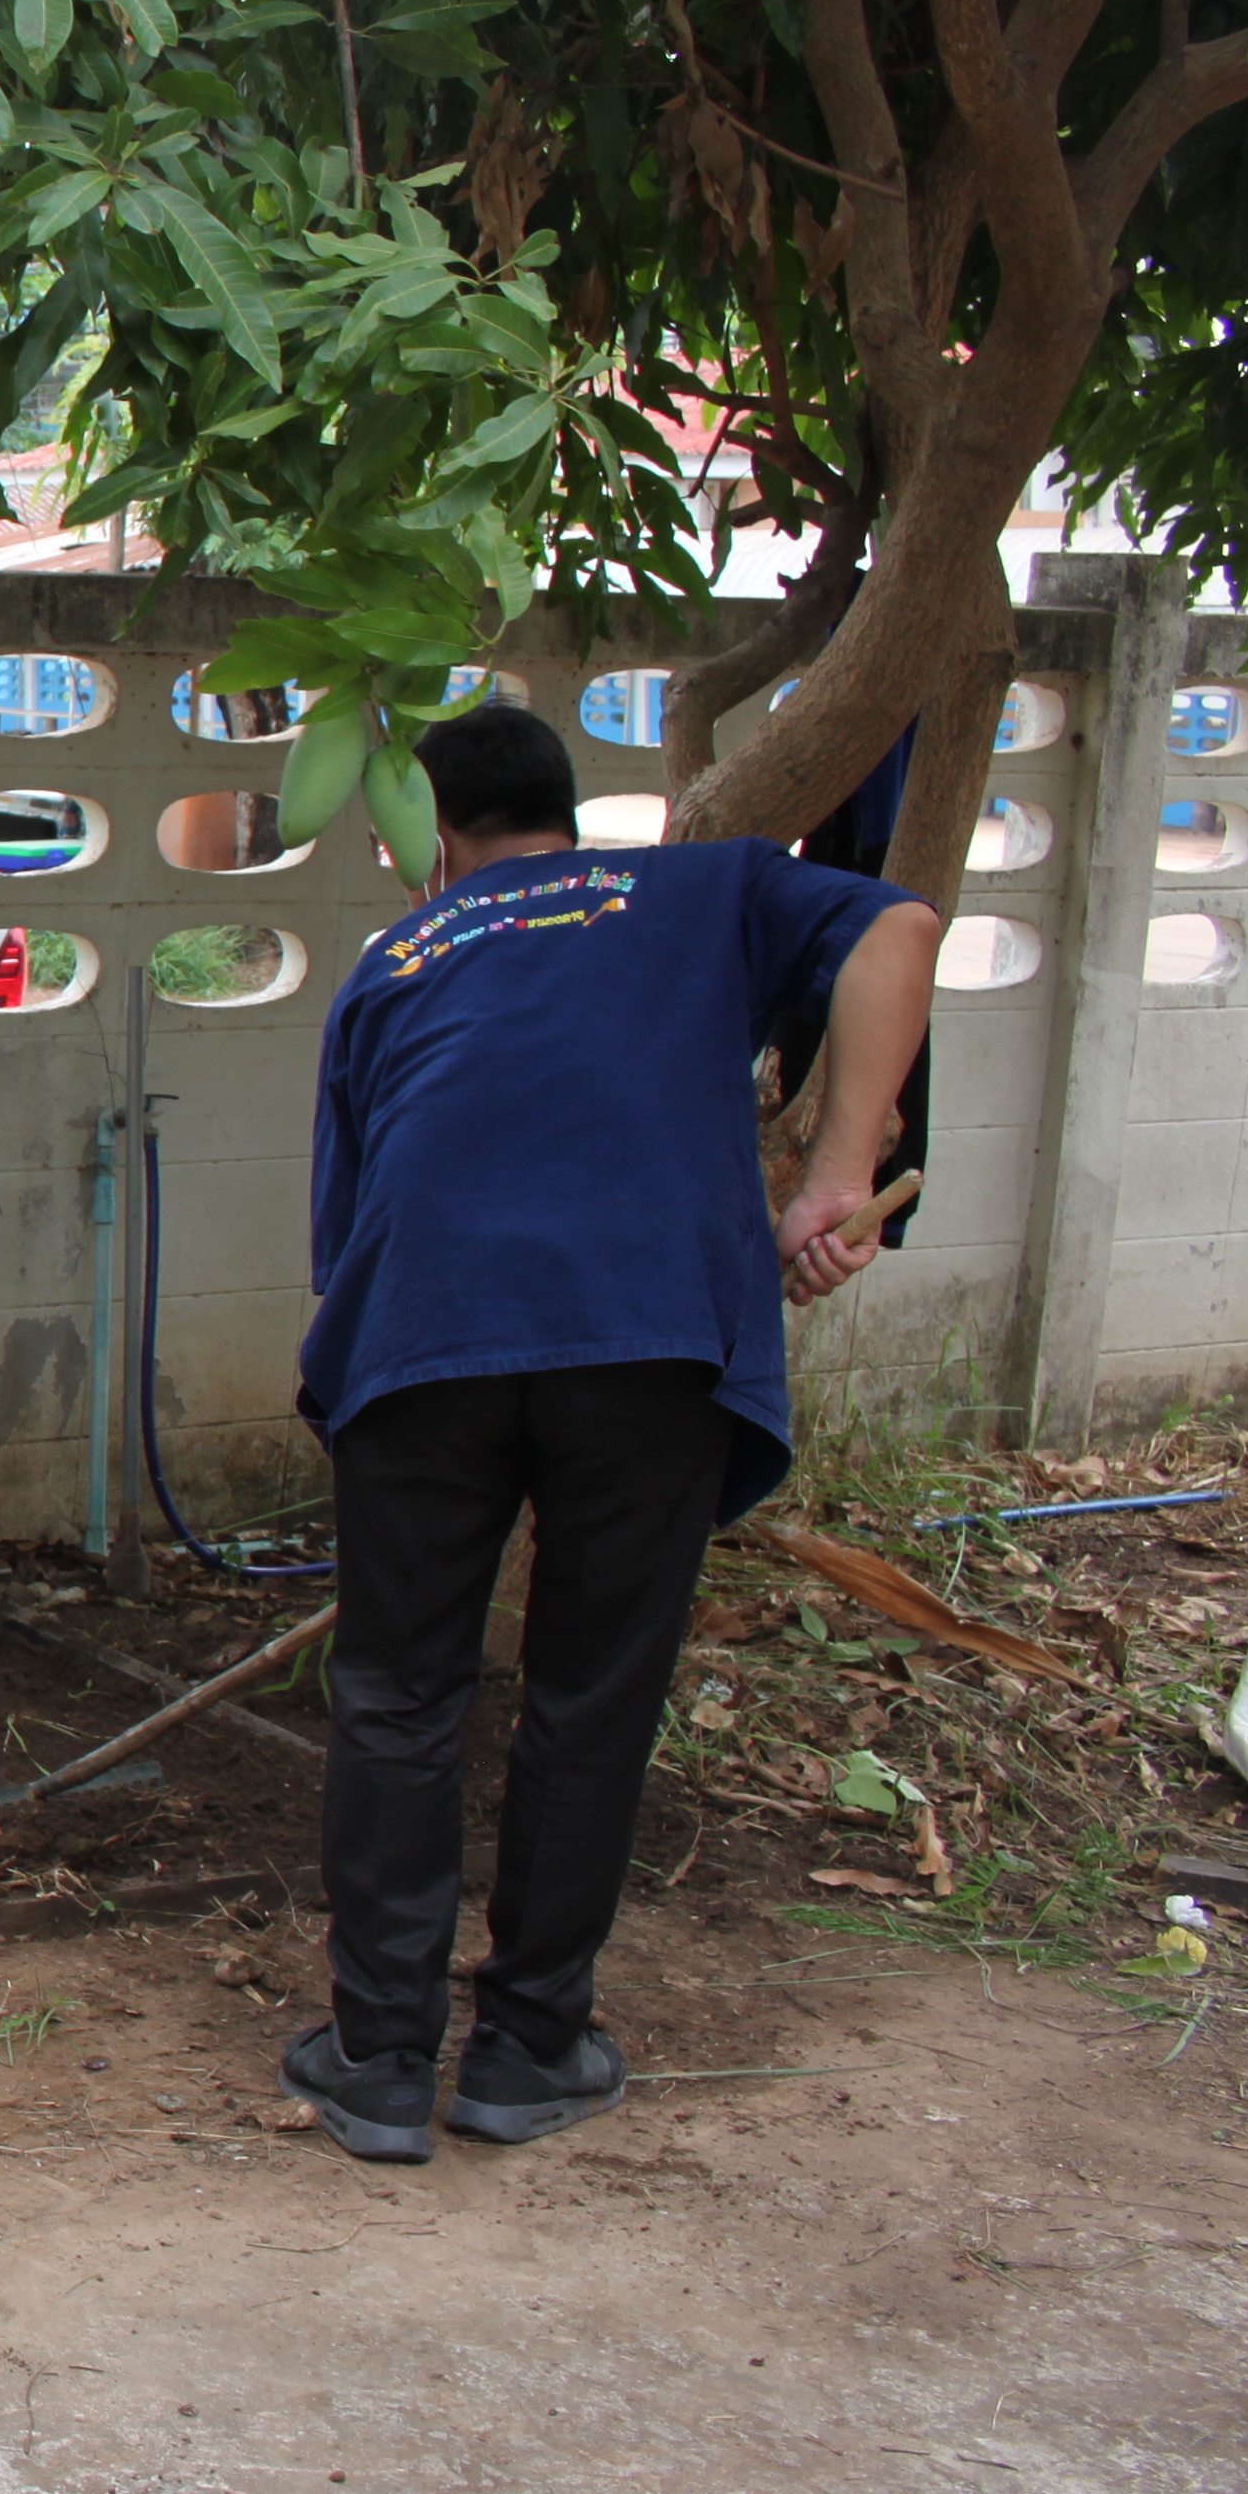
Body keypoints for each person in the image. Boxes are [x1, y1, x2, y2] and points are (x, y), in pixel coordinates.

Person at [289, 700, 940, 2160]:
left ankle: (378, 2060)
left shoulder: (399, 959)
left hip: (425, 1336)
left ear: (434, 836)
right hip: (645, 1340)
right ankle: (529, 2051)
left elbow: (350, 1239)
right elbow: (899, 929)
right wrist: (838, 1175)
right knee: (589, 1695)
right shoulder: (700, 888)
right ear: (569, 813)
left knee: (399, 1695)